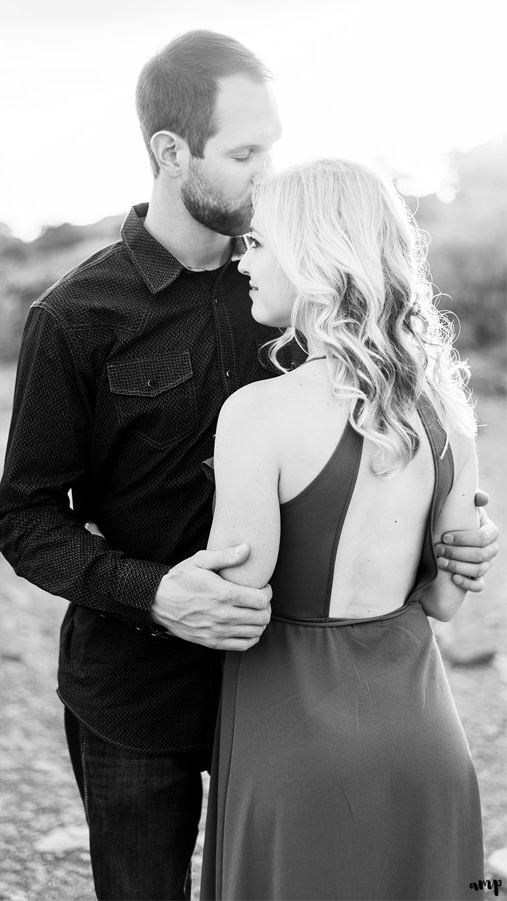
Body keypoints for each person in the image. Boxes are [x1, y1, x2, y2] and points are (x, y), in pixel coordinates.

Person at [0, 30, 497, 900]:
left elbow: (376, 444)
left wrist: (452, 535)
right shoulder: (73, 315)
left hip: (295, 691)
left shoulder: (296, 281)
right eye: (245, 152)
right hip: (138, 695)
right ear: (169, 152)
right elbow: (23, 518)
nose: (268, 176)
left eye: (275, 149)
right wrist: (152, 590)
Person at [198, 157, 484, 899]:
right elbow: (448, 599)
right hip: (424, 743)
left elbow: (236, 597)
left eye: (258, 242)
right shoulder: (445, 411)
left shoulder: (258, 415)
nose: (243, 260)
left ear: (311, 254)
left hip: (295, 746)